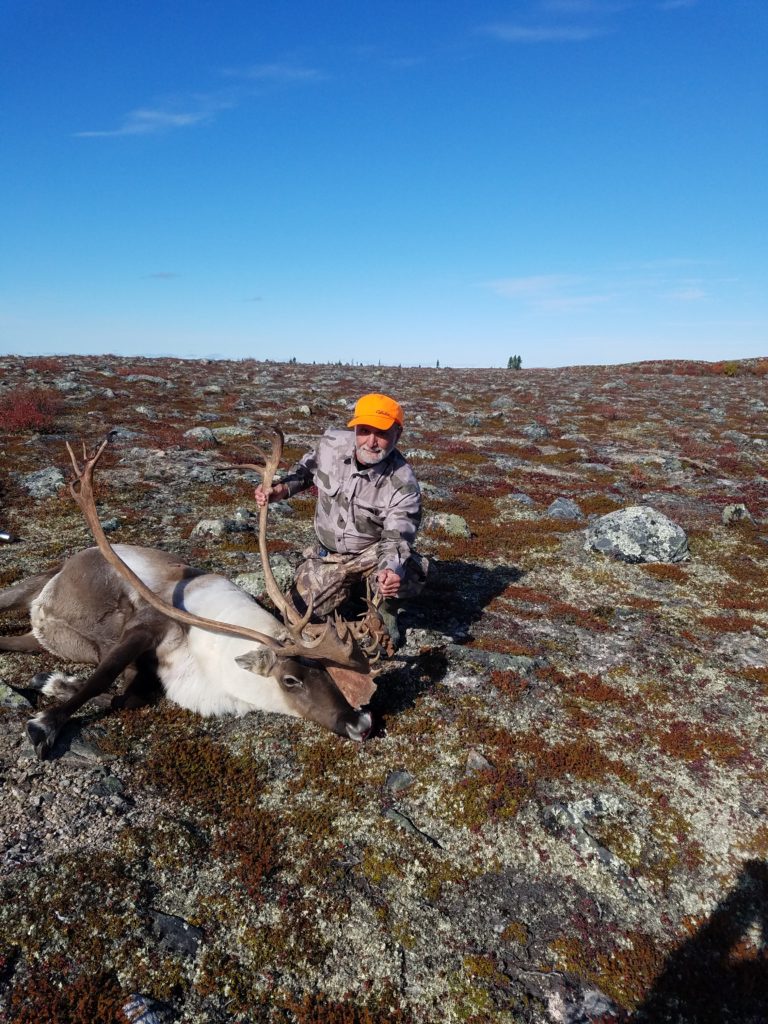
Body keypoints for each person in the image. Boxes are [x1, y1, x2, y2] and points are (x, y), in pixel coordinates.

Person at [254, 393, 428, 647]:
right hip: (329, 557)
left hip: (371, 554)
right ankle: (352, 589)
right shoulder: (331, 444)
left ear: (397, 434)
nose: (371, 442)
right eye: (364, 430)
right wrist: (279, 490)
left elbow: (396, 538)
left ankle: (386, 609)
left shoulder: (403, 484)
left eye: (381, 433)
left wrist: (390, 569)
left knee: (409, 571)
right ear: (355, 427)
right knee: (294, 618)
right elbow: (304, 473)